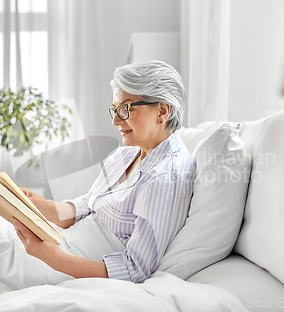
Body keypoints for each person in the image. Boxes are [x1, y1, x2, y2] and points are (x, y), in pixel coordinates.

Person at [12, 60, 195, 283]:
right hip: (60, 244)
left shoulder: (164, 177)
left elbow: (134, 270)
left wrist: (52, 258)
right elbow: (88, 205)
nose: (115, 120)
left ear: (162, 111)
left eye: (125, 108)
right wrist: (42, 207)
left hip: (66, 264)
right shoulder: (126, 154)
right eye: (115, 109)